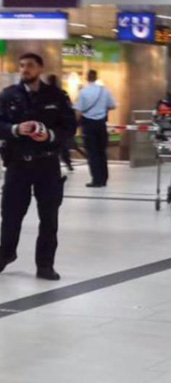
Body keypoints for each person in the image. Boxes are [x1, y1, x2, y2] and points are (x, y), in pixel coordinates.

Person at [0, 53, 76, 280]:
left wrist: (50, 136)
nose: (24, 70)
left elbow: (69, 127)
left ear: (40, 68)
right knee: (11, 215)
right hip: (18, 165)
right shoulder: (8, 95)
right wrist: (15, 129)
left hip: (47, 164)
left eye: (30, 66)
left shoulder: (56, 96)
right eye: (21, 65)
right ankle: (5, 254)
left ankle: (45, 265)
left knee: (49, 217)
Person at [73, 70, 115, 187]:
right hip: (101, 124)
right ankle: (104, 178)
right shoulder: (104, 90)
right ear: (96, 77)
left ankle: (96, 179)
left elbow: (78, 111)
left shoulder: (83, 92)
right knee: (102, 152)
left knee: (92, 153)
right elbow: (112, 105)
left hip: (88, 125)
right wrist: (101, 109)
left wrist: (74, 125)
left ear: (87, 78)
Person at [46, 74, 79, 171]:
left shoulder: (44, 93)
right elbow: (69, 108)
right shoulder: (62, 93)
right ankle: (67, 163)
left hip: (49, 123)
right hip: (60, 124)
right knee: (63, 145)